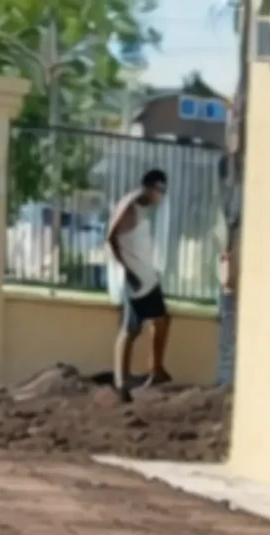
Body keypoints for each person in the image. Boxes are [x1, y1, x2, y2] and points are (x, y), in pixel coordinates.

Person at [106, 166, 172, 399]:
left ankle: (155, 369)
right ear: (147, 188)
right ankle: (121, 382)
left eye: (164, 190)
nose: (161, 195)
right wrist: (127, 270)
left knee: (161, 320)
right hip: (136, 279)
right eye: (158, 189)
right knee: (131, 328)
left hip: (147, 277)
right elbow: (111, 236)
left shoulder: (141, 207)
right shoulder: (131, 204)